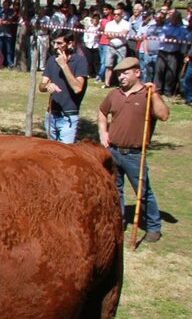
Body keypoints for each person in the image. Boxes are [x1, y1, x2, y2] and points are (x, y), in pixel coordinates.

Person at [97, 57, 170, 242]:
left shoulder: (147, 94)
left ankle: (154, 227)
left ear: (137, 73)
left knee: (143, 191)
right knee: (115, 190)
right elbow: (102, 111)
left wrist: (154, 95)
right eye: (119, 73)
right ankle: (118, 221)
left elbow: (164, 115)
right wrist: (103, 132)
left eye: (125, 73)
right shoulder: (114, 94)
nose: (121, 77)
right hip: (113, 151)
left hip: (135, 154)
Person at [39, 31, 89, 144]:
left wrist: (64, 65)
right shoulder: (52, 60)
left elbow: (77, 88)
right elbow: (41, 86)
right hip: (51, 115)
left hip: (68, 118)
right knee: (50, 152)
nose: (55, 46)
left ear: (70, 43)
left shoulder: (80, 61)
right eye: (54, 43)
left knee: (65, 154)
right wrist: (47, 86)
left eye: (59, 43)